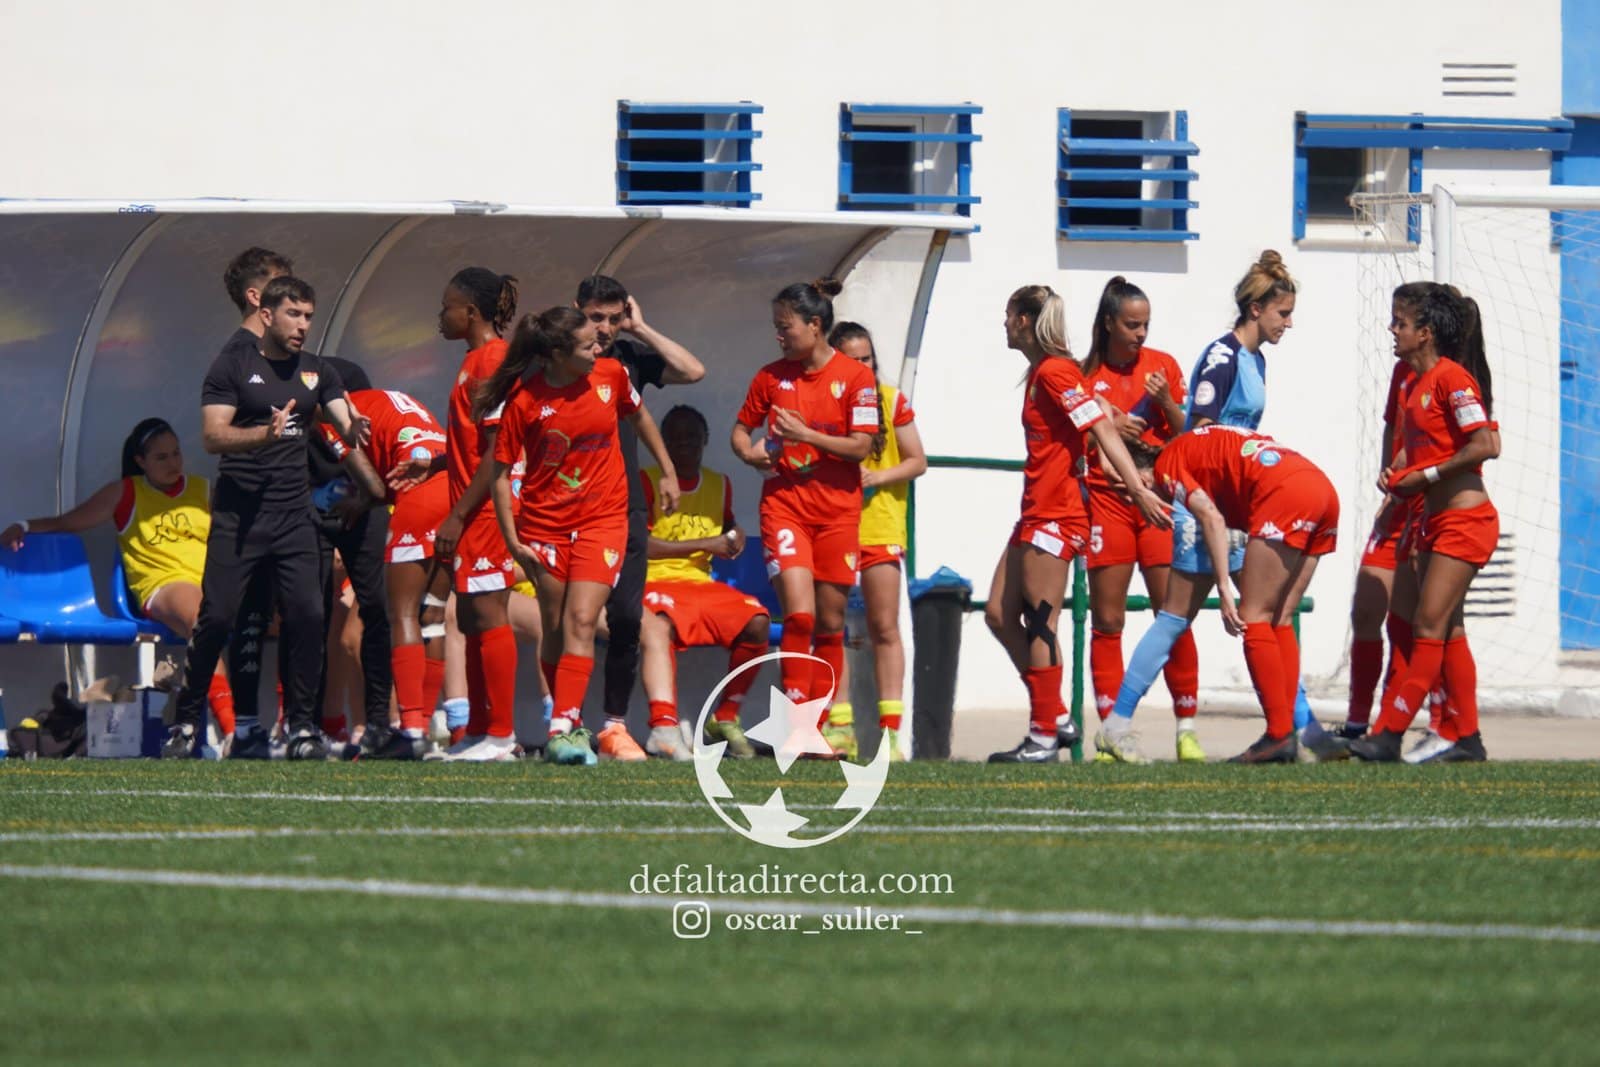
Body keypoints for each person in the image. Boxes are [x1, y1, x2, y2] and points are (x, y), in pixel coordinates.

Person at [1097, 251, 1341, 762]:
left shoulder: (1256, 360)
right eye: (1282, 313)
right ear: (1255, 309)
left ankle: (1300, 729)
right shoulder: (1222, 357)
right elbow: (1200, 433)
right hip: (1208, 498)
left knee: (1264, 616)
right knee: (1180, 617)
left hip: (1242, 498)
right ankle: (1118, 721)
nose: (1288, 323)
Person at [163, 275, 372, 760]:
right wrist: (263, 434)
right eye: (293, 315)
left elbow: (343, 417)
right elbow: (213, 436)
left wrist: (353, 426)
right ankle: (186, 723)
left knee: (309, 614)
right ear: (267, 315)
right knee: (216, 617)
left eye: (308, 316)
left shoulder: (317, 370)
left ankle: (302, 729)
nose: (302, 326)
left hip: (294, 515)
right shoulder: (232, 366)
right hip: (240, 516)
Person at [982, 284, 1169, 764]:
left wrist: (1138, 489)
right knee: (999, 614)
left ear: (1025, 320)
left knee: (1041, 622)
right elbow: (1095, 420)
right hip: (1034, 509)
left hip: (1056, 514)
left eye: (1008, 314)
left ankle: (1043, 737)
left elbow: (1099, 428)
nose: (1003, 323)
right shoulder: (1042, 372)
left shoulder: (1055, 371)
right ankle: (1058, 715)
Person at [487, 307, 681, 765]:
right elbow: (499, 474)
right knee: (555, 627)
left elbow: (640, 417)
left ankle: (560, 729)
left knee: (580, 619)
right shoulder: (525, 402)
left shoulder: (611, 376)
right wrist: (512, 540)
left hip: (604, 520)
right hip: (544, 526)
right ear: (557, 354)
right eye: (587, 343)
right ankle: (569, 720)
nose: (599, 347)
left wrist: (667, 469)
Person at [2, 419, 236, 742]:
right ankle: (233, 730)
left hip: (211, 583)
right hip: (164, 585)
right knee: (203, 620)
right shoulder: (126, 492)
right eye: (161, 457)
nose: (173, 463)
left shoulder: (201, 489)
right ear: (141, 461)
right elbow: (68, 522)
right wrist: (25, 526)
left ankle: (288, 725)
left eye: (176, 453)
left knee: (284, 613)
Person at [1351, 283, 1499, 763]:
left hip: (1465, 521)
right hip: (1431, 521)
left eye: (1401, 323)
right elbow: (1419, 451)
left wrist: (1426, 476)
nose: (1392, 329)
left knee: (1429, 626)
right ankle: (1468, 738)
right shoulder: (1413, 382)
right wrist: (1398, 474)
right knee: (1447, 629)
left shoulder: (1452, 378)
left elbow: (1486, 445)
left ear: (1426, 333)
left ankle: (1388, 733)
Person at [732, 278, 879, 751]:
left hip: (837, 513)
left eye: (785, 326)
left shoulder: (855, 378)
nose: (778, 335)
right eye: (776, 327)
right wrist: (749, 453)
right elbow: (740, 431)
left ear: (815, 325)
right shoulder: (770, 377)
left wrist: (807, 436)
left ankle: (823, 724)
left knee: (831, 623)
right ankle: (797, 727)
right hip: (785, 508)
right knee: (799, 615)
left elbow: (860, 447)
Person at [1148, 425, 1340, 762]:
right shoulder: (1199, 444)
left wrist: (1224, 587)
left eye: (1130, 488)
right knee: (1280, 617)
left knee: (1254, 616)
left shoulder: (1166, 465)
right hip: (1320, 488)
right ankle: (1292, 734)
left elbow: (1211, 518)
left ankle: (1279, 735)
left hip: (1285, 492)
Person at [575, 277, 705, 756]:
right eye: (596, 317)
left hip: (624, 505)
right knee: (569, 616)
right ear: (577, 311)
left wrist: (642, 328)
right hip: (570, 506)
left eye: (614, 319)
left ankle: (614, 725)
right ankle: (562, 723)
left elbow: (693, 371)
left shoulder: (627, 358)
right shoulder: (555, 359)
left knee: (628, 617)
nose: (606, 328)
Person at [1074, 277, 1200, 761]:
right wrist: (1108, 427)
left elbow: (1188, 432)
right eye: (1131, 324)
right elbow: (1075, 438)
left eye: (1146, 324)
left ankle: (1186, 727)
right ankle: (1113, 729)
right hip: (1108, 502)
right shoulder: (1085, 375)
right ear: (1109, 323)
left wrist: (1166, 401)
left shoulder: (1163, 366)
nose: (1141, 333)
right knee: (1108, 619)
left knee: (1172, 614)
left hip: (1159, 505)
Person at [321, 385, 452, 759]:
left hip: (420, 493)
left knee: (402, 615)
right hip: (452, 487)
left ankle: (409, 729)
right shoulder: (387, 399)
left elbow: (376, 486)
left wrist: (359, 503)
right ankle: (426, 727)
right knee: (433, 615)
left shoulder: (331, 418)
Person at [637, 405, 770, 761]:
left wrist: (735, 534)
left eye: (692, 438)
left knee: (757, 622)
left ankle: (725, 717)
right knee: (660, 626)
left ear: (705, 441)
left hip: (700, 583)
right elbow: (639, 546)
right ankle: (664, 724)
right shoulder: (646, 480)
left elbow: (725, 523)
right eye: (675, 438)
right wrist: (707, 543)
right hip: (655, 580)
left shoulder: (718, 483)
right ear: (663, 443)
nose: (684, 444)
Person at [821, 321, 927, 761]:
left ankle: (889, 736)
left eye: (868, 359)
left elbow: (917, 461)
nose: (863, 367)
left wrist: (877, 477)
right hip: (832, 525)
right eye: (853, 360)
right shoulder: (825, 400)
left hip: (879, 527)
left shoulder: (890, 400)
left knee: (884, 627)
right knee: (832, 627)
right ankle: (840, 725)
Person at [431, 267, 522, 761]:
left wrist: (458, 516)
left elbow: (498, 451)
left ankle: (502, 734)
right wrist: (434, 463)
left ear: (470, 312)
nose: (440, 315)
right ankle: (479, 732)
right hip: (472, 508)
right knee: (468, 615)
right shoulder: (473, 360)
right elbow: (472, 447)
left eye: (446, 306)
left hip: (486, 511)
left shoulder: (493, 360)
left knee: (488, 614)